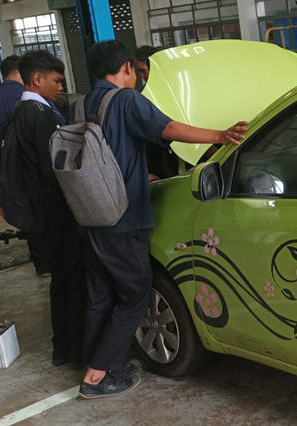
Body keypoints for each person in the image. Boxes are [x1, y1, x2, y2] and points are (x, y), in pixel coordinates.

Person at [76, 40, 247, 399]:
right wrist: (219, 136)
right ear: (127, 67)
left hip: (90, 213)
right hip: (122, 216)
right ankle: (96, 377)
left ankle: (95, 360)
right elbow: (167, 128)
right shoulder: (126, 99)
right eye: (136, 72)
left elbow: (103, 156)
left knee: (100, 294)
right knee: (136, 292)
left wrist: (138, 174)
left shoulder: (82, 103)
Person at [6, 50, 86, 366]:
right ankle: (78, 351)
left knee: (61, 281)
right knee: (75, 279)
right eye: (56, 80)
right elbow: (53, 168)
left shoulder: (20, 111)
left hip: (38, 212)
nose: (60, 87)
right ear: (37, 79)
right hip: (55, 212)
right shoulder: (40, 114)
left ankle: (62, 348)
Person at [0, 55, 51, 277]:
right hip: (33, 165)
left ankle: (40, 262)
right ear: (22, 73)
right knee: (43, 211)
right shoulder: (33, 99)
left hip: (7, 166)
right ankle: (50, 260)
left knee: (25, 211)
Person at [134, 45, 180, 180]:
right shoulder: (142, 96)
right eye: (139, 72)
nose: (142, 76)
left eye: (143, 71)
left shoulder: (179, 90)